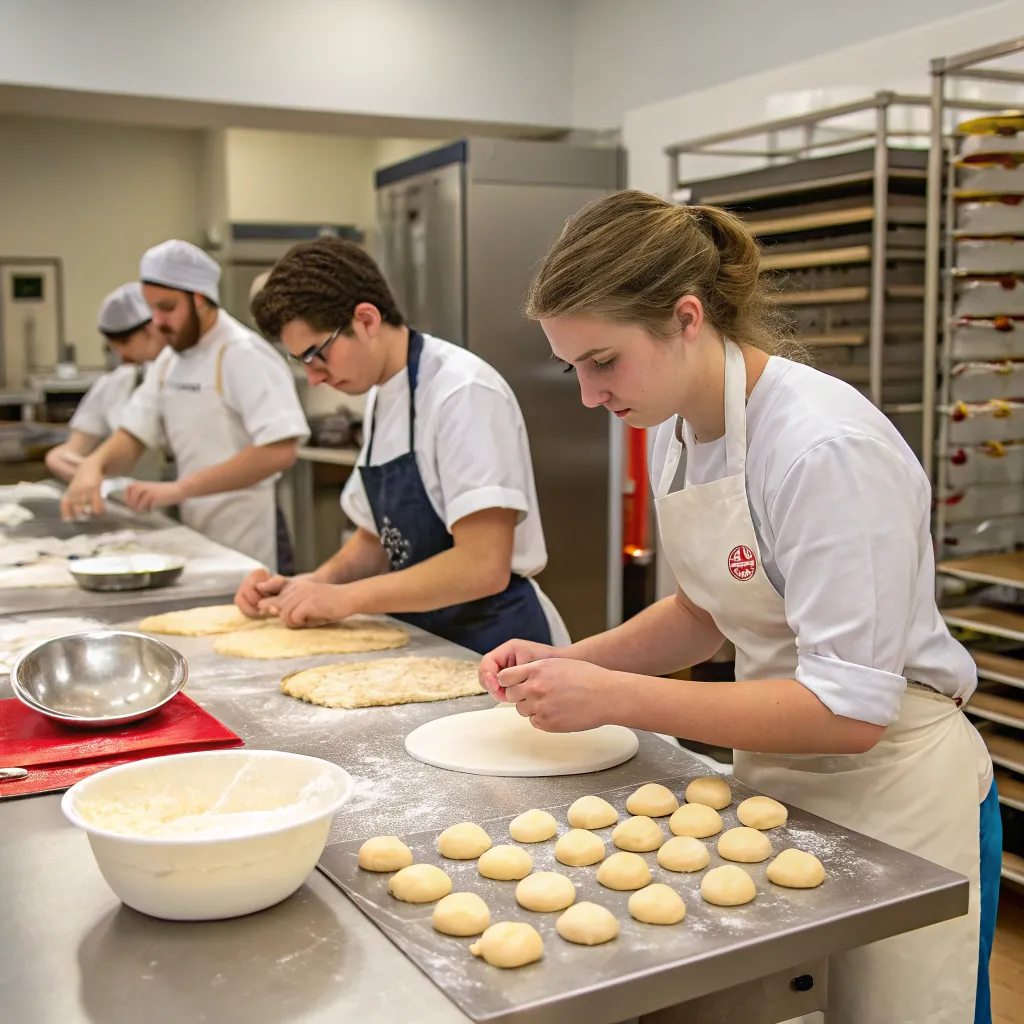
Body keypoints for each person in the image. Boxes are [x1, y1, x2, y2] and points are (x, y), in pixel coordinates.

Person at [479, 191, 999, 1024]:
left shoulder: (825, 449)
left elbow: (850, 709)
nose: (588, 395)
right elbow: (708, 610)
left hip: (896, 796)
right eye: (572, 367)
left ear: (686, 318)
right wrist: (571, 662)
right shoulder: (684, 430)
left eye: (603, 361)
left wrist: (615, 700)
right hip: (778, 782)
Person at [233, 236, 568, 654]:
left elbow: (483, 566)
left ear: (367, 320)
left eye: (318, 354)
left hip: (494, 643)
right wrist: (311, 585)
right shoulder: (382, 395)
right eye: (302, 362)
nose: (315, 377)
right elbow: (377, 539)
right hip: (428, 636)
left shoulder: (462, 392)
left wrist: (347, 599)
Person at [62, 240, 310, 571]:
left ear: (200, 298)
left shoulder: (242, 353)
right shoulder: (168, 361)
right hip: (199, 532)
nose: (157, 321)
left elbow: (280, 450)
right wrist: (94, 465)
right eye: (152, 309)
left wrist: (180, 489)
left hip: (249, 535)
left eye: (167, 307)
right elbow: (134, 433)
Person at [45, 283, 165, 482]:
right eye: (113, 346)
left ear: (152, 330)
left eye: (125, 343)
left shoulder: (188, 380)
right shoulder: (113, 385)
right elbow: (75, 448)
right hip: (126, 503)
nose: (121, 354)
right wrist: (58, 458)